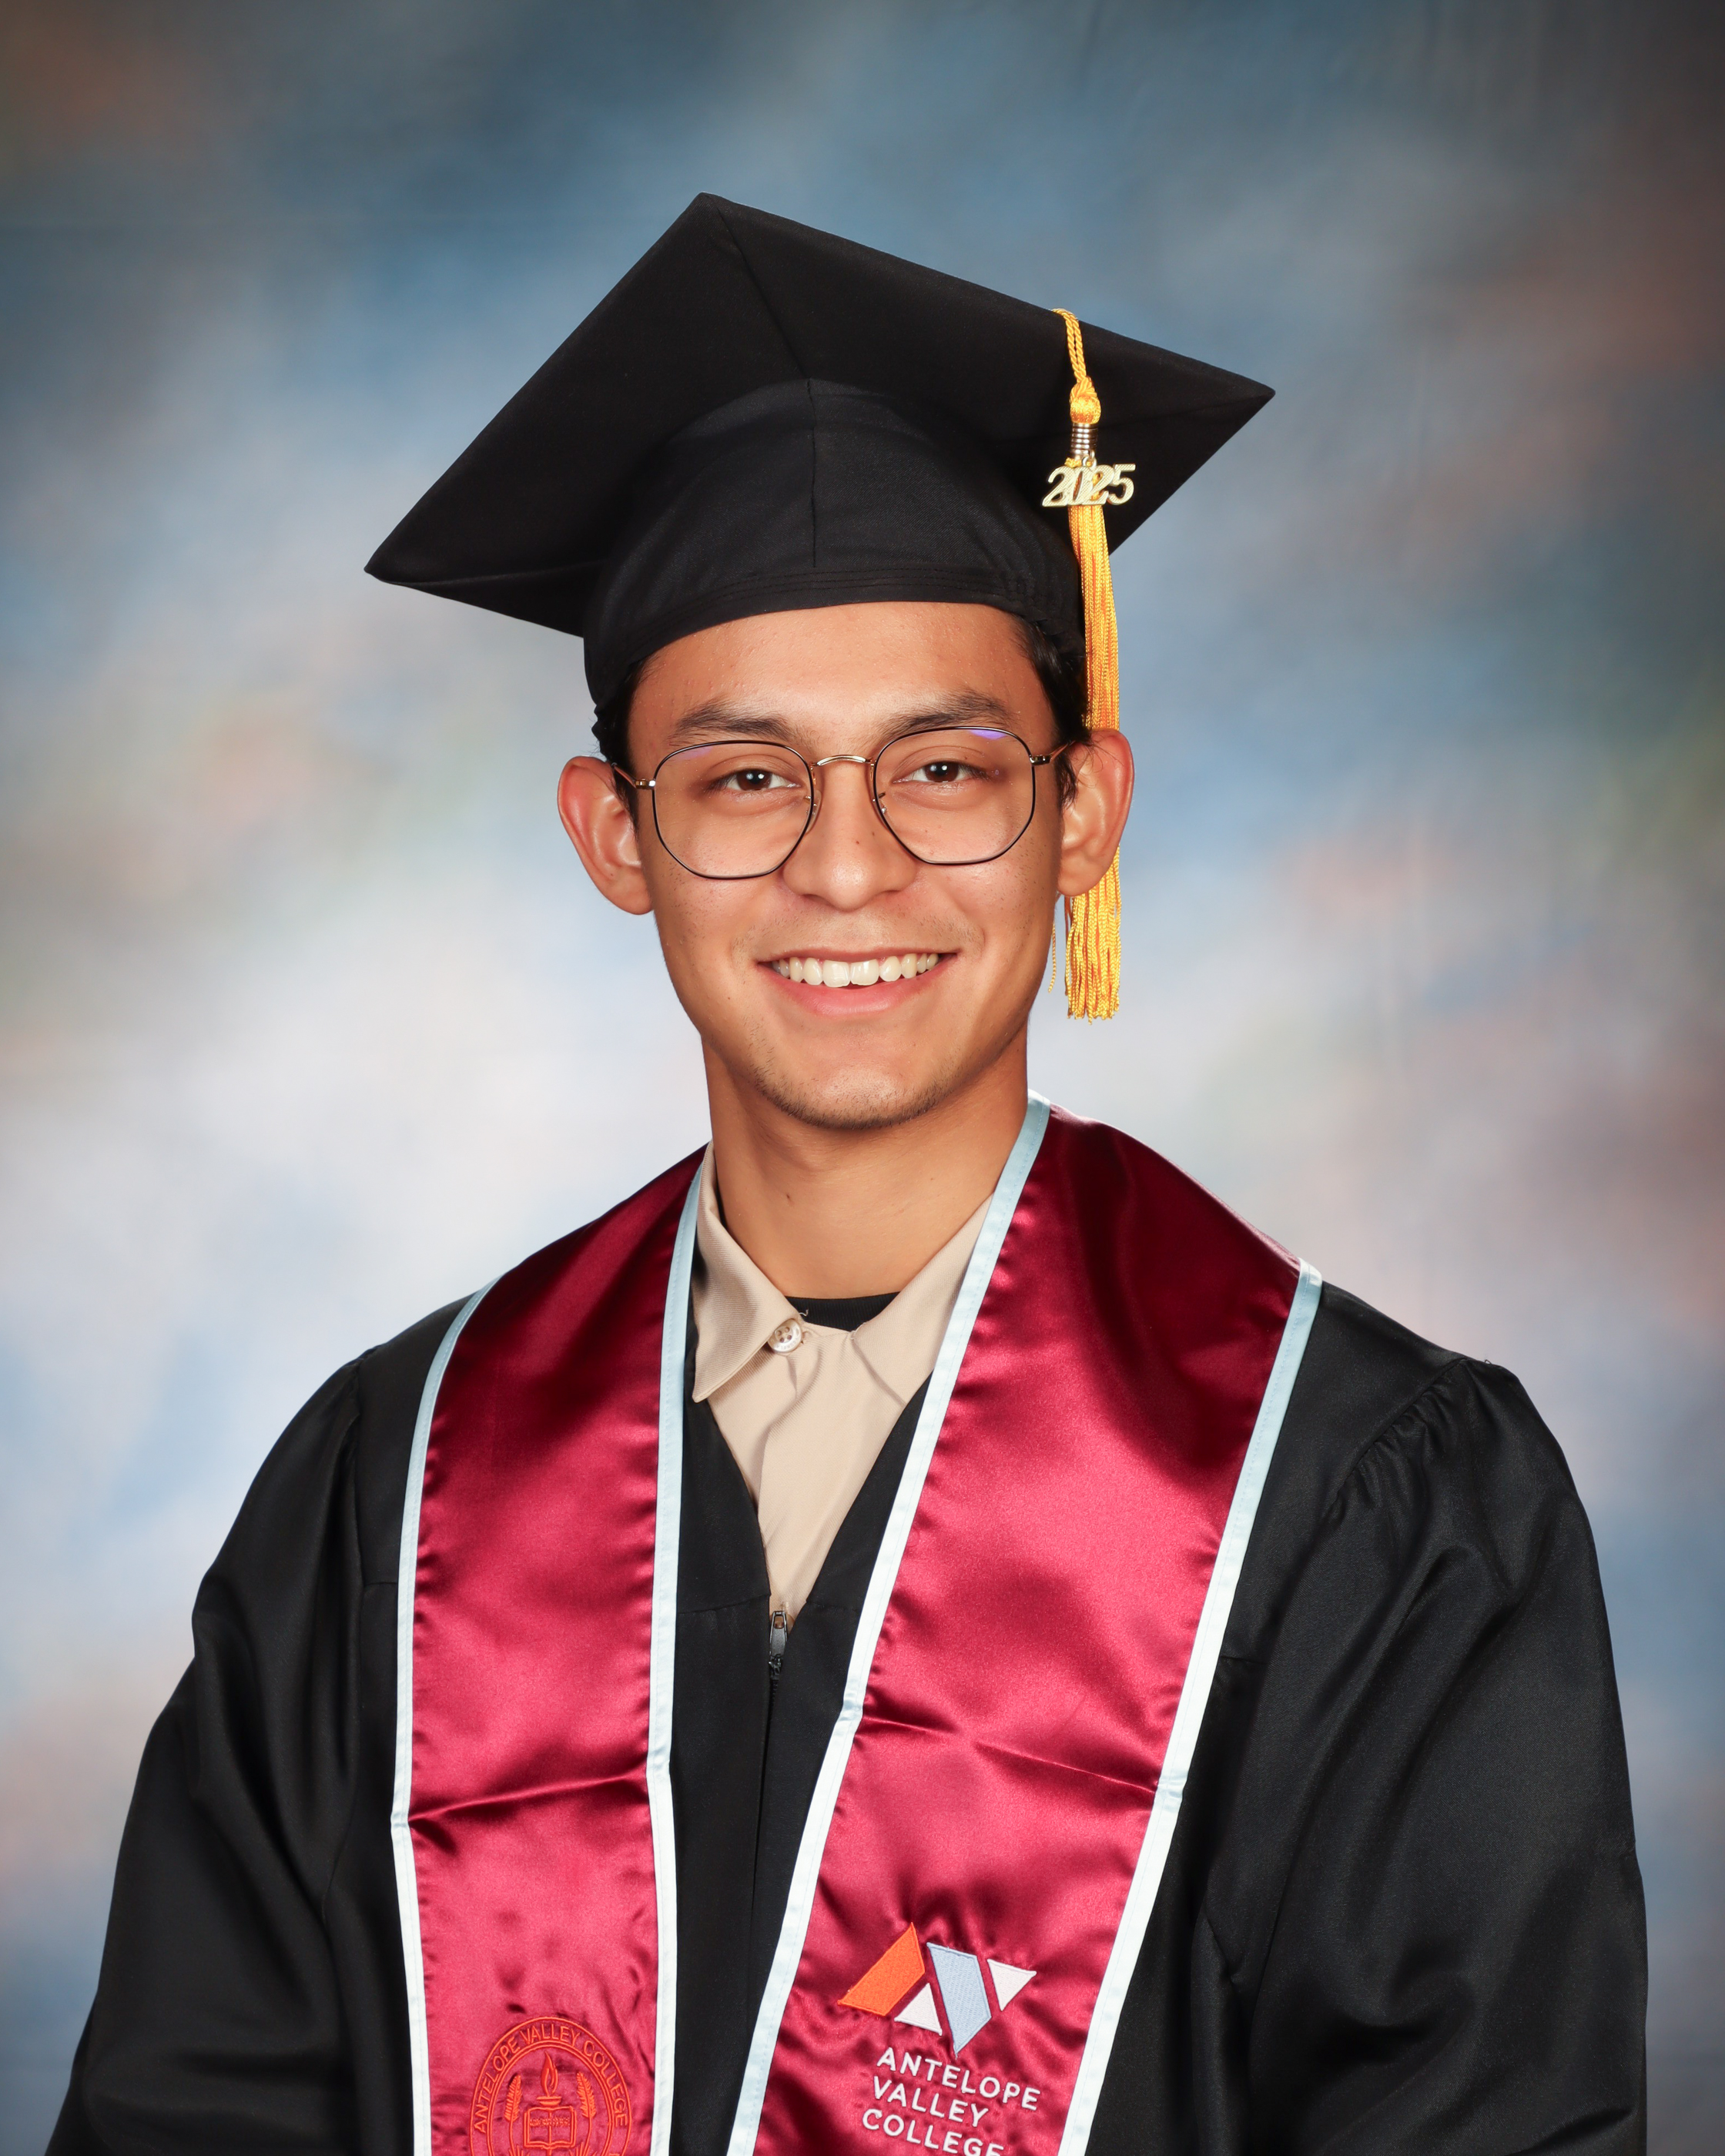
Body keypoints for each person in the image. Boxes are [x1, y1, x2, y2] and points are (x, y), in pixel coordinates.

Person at [51, 196, 1645, 2156]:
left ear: (1081, 812)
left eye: (943, 768)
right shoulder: (387, 1492)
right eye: (744, 777)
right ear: (614, 836)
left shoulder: (1365, 1495)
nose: (846, 865)